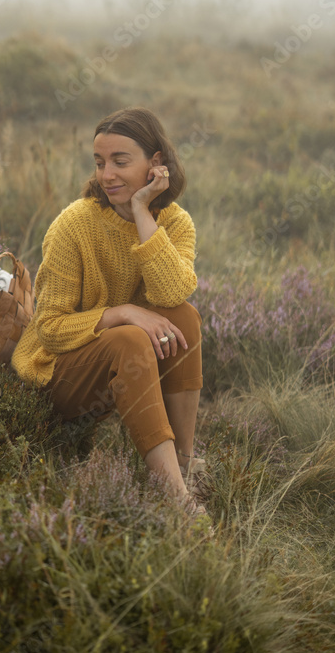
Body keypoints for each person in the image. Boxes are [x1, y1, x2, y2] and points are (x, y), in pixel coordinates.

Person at [11, 106, 208, 520]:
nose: (107, 175)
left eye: (121, 161)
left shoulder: (176, 223)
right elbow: (49, 330)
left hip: (123, 360)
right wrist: (123, 313)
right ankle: (174, 497)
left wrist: (141, 212)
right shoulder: (74, 225)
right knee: (130, 336)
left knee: (184, 316)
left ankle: (184, 462)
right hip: (60, 374)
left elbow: (172, 292)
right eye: (100, 163)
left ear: (156, 164)